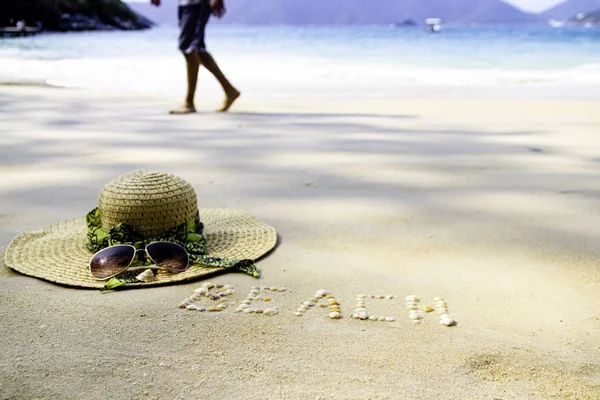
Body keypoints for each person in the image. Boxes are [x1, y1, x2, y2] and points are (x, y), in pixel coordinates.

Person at [151, 0, 240, 114]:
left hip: (198, 4)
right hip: (186, 4)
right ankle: (229, 90)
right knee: (198, 50)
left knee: (188, 47)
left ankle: (189, 102)